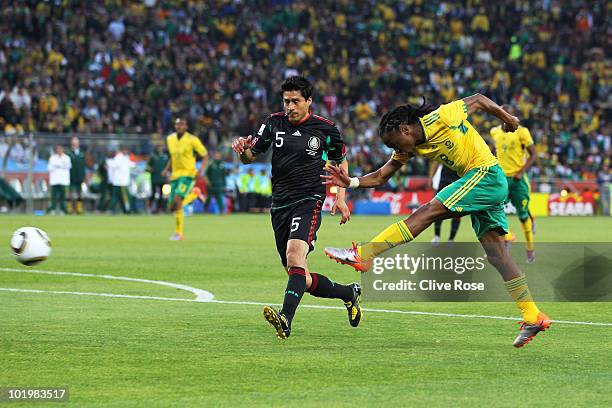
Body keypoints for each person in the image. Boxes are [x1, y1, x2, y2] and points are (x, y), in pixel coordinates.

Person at [323, 94, 550, 348]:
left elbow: (478, 100)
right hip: (484, 183)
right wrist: (351, 182)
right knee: (498, 256)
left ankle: (365, 254)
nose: (395, 150)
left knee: (428, 211)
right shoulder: (412, 144)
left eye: (394, 143)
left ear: (405, 129)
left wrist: (507, 118)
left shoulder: (442, 117)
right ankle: (532, 316)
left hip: (485, 174)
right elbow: (381, 175)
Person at [231, 76, 361, 339]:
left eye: (295, 101)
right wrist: (242, 151)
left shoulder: (325, 130)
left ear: (308, 101)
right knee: (299, 274)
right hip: (279, 204)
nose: (289, 106)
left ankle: (285, 319)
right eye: (286, 101)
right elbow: (250, 157)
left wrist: (340, 197)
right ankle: (349, 293)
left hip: (308, 200)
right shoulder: (273, 123)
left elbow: (341, 163)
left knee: (294, 256)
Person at [490, 105, 537, 262]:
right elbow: (492, 152)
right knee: (495, 213)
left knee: (523, 216)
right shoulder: (494, 132)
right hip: (501, 180)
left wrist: (521, 172)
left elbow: (534, 154)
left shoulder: (522, 132)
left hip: (518, 181)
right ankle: (506, 239)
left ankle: (530, 249)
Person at [164, 118, 208, 240]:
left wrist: (201, 170)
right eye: (177, 124)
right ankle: (194, 194)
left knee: (177, 201)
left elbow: (205, 155)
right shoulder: (170, 139)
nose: (179, 126)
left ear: (186, 126)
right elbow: (173, 157)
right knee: (172, 206)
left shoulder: (193, 140)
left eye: (182, 124)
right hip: (175, 175)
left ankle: (179, 233)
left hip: (188, 175)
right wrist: (167, 169)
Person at [429, 162, 461, 245]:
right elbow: (435, 162)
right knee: (438, 209)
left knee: (457, 212)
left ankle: (451, 239)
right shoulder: (445, 150)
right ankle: (436, 236)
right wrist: (431, 177)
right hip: (444, 181)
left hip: (458, 183)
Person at [108, 146, 134, 214]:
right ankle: (127, 210)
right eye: (125, 150)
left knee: (117, 197)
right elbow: (112, 166)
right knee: (125, 197)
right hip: (121, 182)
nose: (126, 151)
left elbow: (131, 165)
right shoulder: (119, 158)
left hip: (122, 182)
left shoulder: (125, 158)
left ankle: (124, 210)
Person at [47, 144, 71, 215]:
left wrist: (58, 166)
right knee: (53, 196)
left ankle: (63, 210)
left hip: (63, 180)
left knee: (63, 197)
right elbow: (49, 168)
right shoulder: (52, 158)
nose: (59, 151)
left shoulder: (67, 158)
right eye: (58, 149)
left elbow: (68, 166)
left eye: (61, 149)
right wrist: (59, 166)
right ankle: (52, 209)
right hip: (54, 180)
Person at [147, 143, 169, 213]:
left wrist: (168, 174)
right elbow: (147, 165)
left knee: (163, 195)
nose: (160, 149)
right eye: (159, 147)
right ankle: (149, 207)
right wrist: (150, 169)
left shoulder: (165, 156)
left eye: (161, 147)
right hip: (155, 179)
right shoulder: (153, 156)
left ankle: (160, 209)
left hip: (163, 179)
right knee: (153, 194)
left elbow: (168, 166)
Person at [67, 136, 86, 214]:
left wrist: (83, 176)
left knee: (79, 193)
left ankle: (79, 208)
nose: (75, 144)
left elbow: (83, 166)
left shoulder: (82, 154)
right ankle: (70, 209)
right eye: (73, 143)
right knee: (70, 193)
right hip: (71, 177)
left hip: (80, 177)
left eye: (76, 143)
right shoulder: (68, 153)